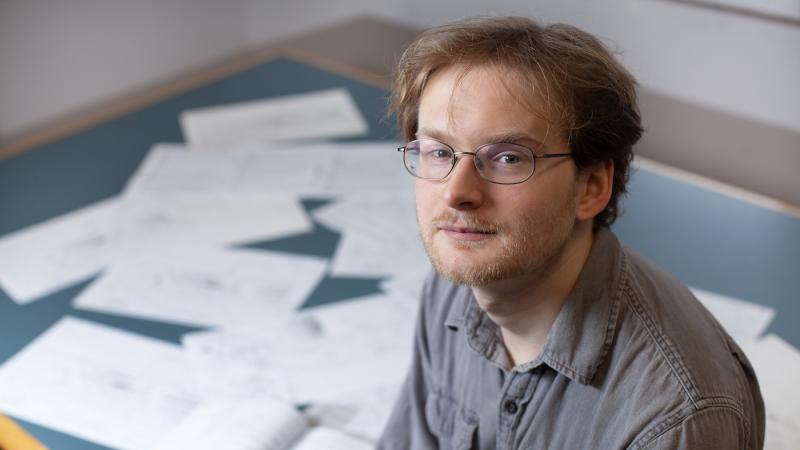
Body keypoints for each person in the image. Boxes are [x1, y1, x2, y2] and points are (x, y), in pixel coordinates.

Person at [377, 16, 764, 449]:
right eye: (438, 151)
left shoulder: (674, 418)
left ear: (591, 187)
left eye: (508, 158)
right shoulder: (459, 274)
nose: (457, 193)